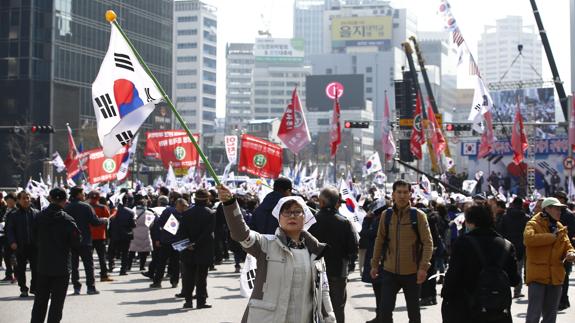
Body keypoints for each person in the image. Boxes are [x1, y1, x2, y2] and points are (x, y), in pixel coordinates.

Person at [217, 184, 336, 323]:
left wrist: (330, 319)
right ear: (279, 218)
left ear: (305, 217)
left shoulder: (316, 253)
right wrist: (230, 203)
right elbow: (241, 233)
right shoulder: (265, 244)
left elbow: (323, 292)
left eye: (297, 211)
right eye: (286, 212)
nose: (292, 215)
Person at [441, 204, 519, 323]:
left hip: (467, 309)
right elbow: (514, 280)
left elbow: (453, 276)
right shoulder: (507, 246)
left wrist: (446, 294)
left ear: (471, 222)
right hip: (497, 311)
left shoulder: (462, 243)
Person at [370, 180, 434, 323]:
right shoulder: (386, 215)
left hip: (412, 273)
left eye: (405, 192)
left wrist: (423, 267)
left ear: (410, 194)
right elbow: (379, 241)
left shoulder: (418, 216)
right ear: (393, 194)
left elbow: (428, 243)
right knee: (384, 312)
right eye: (399, 192)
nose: (402, 196)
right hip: (389, 272)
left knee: (414, 315)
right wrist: (374, 265)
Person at [308, 186, 358, 323]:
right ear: (337, 203)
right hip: (338, 272)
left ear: (321, 202)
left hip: (314, 270)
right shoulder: (345, 223)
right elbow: (353, 248)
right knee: (337, 308)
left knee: (314, 307)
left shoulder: (310, 222)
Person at [30, 188, 81, 323]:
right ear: (65, 201)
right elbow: (76, 242)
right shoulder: (68, 220)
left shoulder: (39, 217)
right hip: (62, 267)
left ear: (50, 198)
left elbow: (32, 238)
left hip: (43, 265)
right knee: (57, 304)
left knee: (40, 302)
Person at [524, 197, 575, 323]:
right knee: (533, 316)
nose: (559, 212)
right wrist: (552, 237)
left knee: (550, 317)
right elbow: (529, 240)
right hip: (537, 277)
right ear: (547, 209)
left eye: (560, 209)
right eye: (557, 208)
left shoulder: (560, 227)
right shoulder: (533, 224)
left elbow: (569, 246)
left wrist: (571, 253)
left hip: (555, 278)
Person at [64, 186, 107, 295]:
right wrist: (104, 220)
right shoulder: (86, 207)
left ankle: (76, 287)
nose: (84, 196)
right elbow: (94, 222)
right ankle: (90, 287)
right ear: (78, 194)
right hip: (85, 240)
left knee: (74, 265)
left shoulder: (67, 207)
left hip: (71, 240)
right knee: (88, 265)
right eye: (83, 193)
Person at [178, 189, 216, 309]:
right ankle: (201, 301)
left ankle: (188, 301)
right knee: (202, 277)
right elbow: (208, 233)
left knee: (188, 276)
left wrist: (189, 244)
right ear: (207, 200)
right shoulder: (210, 213)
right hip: (203, 249)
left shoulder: (186, 213)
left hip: (188, 249)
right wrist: (196, 243)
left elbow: (181, 231)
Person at [5, 191, 39, 297]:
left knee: (36, 268)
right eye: (23, 198)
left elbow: (41, 229)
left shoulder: (36, 213)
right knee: (20, 269)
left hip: (34, 246)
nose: (26, 200)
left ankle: (34, 288)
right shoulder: (13, 215)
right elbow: (9, 230)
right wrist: (12, 242)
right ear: (19, 200)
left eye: (28, 198)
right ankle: (23, 288)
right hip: (20, 246)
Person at [150, 197, 188, 288]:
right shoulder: (186, 213)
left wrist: (158, 237)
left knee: (162, 262)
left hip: (167, 240)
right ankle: (174, 281)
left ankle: (157, 281)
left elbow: (159, 223)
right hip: (179, 241)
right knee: (175, 262)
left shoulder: (168, 211)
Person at [497, 197, 529, 299]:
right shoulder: (526, 218)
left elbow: (500, 231)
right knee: (518, 269)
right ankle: (517, 291)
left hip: (506, 246)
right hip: (521, 246)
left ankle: (504, 289)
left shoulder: (505, 217)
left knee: (504, 268)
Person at [553, 191, 575, 310]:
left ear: (563, 199)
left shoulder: (568, 215)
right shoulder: (557, 213)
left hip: (566, 250)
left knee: (564, 276)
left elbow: (570, 232)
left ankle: (563, 300)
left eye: (557, 198)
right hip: (556, 250)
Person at [87, 191, 113, 282]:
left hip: (89, 235)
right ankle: (104, 276)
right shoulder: (103, 207)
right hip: (100, 235)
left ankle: (90, 277)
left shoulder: (86, 207)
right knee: (102, 257)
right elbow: (107, 219)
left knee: (89, 258)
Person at [108, 195, 136, 275]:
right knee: (125, 253)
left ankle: (111, 266)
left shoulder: (114, 211)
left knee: (112, 252)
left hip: (114, 234)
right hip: (125, 235)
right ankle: (123, 270)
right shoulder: (130, 212)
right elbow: (133, 225)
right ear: (126, 201)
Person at [128, 194, 154, 272]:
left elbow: (130, 222)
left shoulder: (132, 212)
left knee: (132, 251)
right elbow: (151, 224)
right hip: (145, 233)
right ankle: (141, 266)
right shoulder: (149, 213)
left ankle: (128, 266)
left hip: (134, 233)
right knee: (144, 251)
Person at [1, 192, 17, 282]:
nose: (8, 203)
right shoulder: (5, 209)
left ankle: (16, 275)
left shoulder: (16, 211)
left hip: (14, 237)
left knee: (15, 258)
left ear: (15, 201)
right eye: (7, 201)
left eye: (10, 201)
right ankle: (8, 274)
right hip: (5, 236)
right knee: (6, 256)